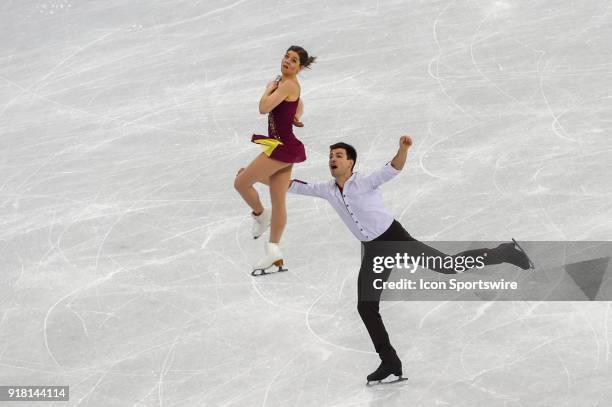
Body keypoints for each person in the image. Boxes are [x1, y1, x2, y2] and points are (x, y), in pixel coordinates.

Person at [285, 136, 533, 384]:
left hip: (394, 238)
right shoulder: (327, 190)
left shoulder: (365, 182)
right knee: (366, 306)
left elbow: (393, 168)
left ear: (350, 162)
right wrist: (256, 175)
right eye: (331, 156)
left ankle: (505, 251)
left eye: (338, 155)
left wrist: (403, 149)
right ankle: (390, 362)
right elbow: (290, 185)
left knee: (448, 267)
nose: (333, 159)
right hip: (373, 250)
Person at [234, 46, 315, 272]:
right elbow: (298, 102)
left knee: (241, 181)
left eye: (294, 60)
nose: (288, 61)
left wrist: (268, 90)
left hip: (281, 147)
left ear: (300, 67)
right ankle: (274, 251)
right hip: (283, 144)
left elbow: (263, 107)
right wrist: (296, 116)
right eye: (287, 57)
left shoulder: (287, 84)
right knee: (278, 198)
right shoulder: (288, 83)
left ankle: (261, 215)